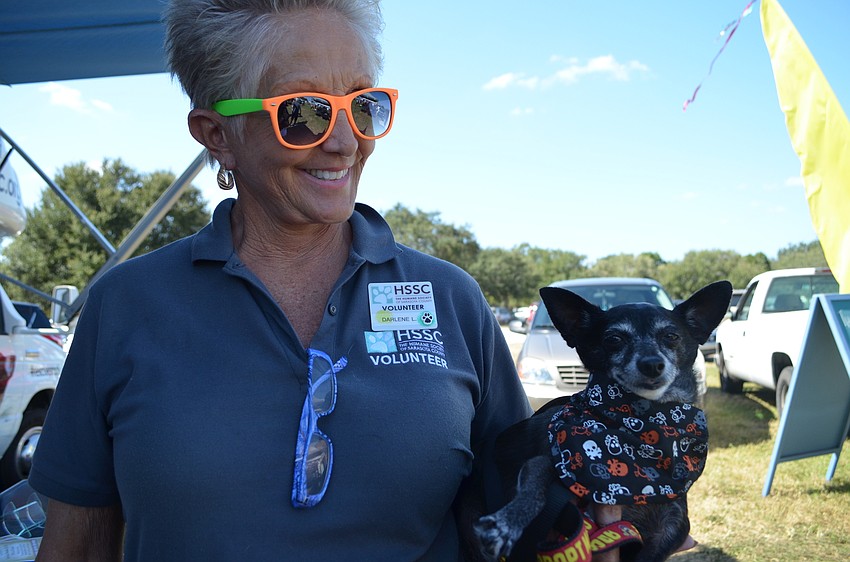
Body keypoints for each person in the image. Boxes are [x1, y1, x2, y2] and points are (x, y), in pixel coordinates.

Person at [28, 0, 533, 560]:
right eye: (305, 113)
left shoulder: (452, 300)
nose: (346, 142)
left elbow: (522, 502)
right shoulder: (126, 305)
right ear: (217, 134)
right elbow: (78, 541)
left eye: (364, 106)